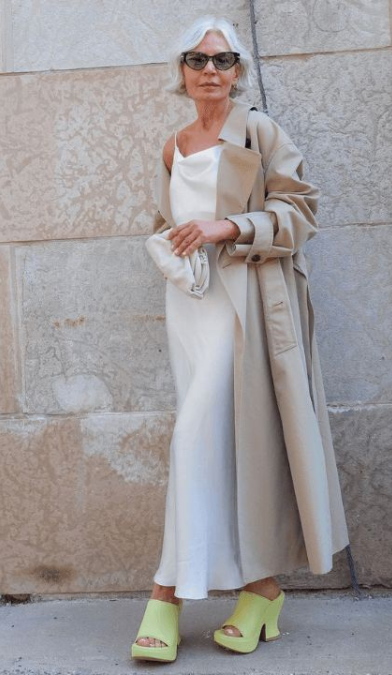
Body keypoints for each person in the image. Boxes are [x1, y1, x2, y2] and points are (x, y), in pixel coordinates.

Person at [131, 16, 349, 663]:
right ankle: (261, 591)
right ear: (181, 71)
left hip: (245, 304)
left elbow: (301, 210)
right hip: (190, 307)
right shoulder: (173, 146)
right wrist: (169, 244)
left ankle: (165, 596)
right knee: (218, 446)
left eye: (222, 60)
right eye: (198, 59)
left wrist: (228, 226)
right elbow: (168, 220)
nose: (210, 70)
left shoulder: (259, 132)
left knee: (195, 437)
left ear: (238, 71)